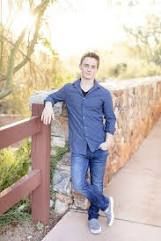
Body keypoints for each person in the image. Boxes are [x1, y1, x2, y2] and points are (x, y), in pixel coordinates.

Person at [41, 52, 116, 234]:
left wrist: (109, 138)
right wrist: (49, 105)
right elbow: (51, 97)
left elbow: (111, 118)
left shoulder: (103, 94)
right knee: (78, 183)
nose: (89, 69)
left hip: (99, 147)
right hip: (80, 148)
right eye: (86, 65)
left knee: (97, 185)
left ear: (96, 70)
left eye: (93, 66)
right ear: (80, 67)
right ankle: (106, 203)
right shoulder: (69, 89)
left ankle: (93, 217)